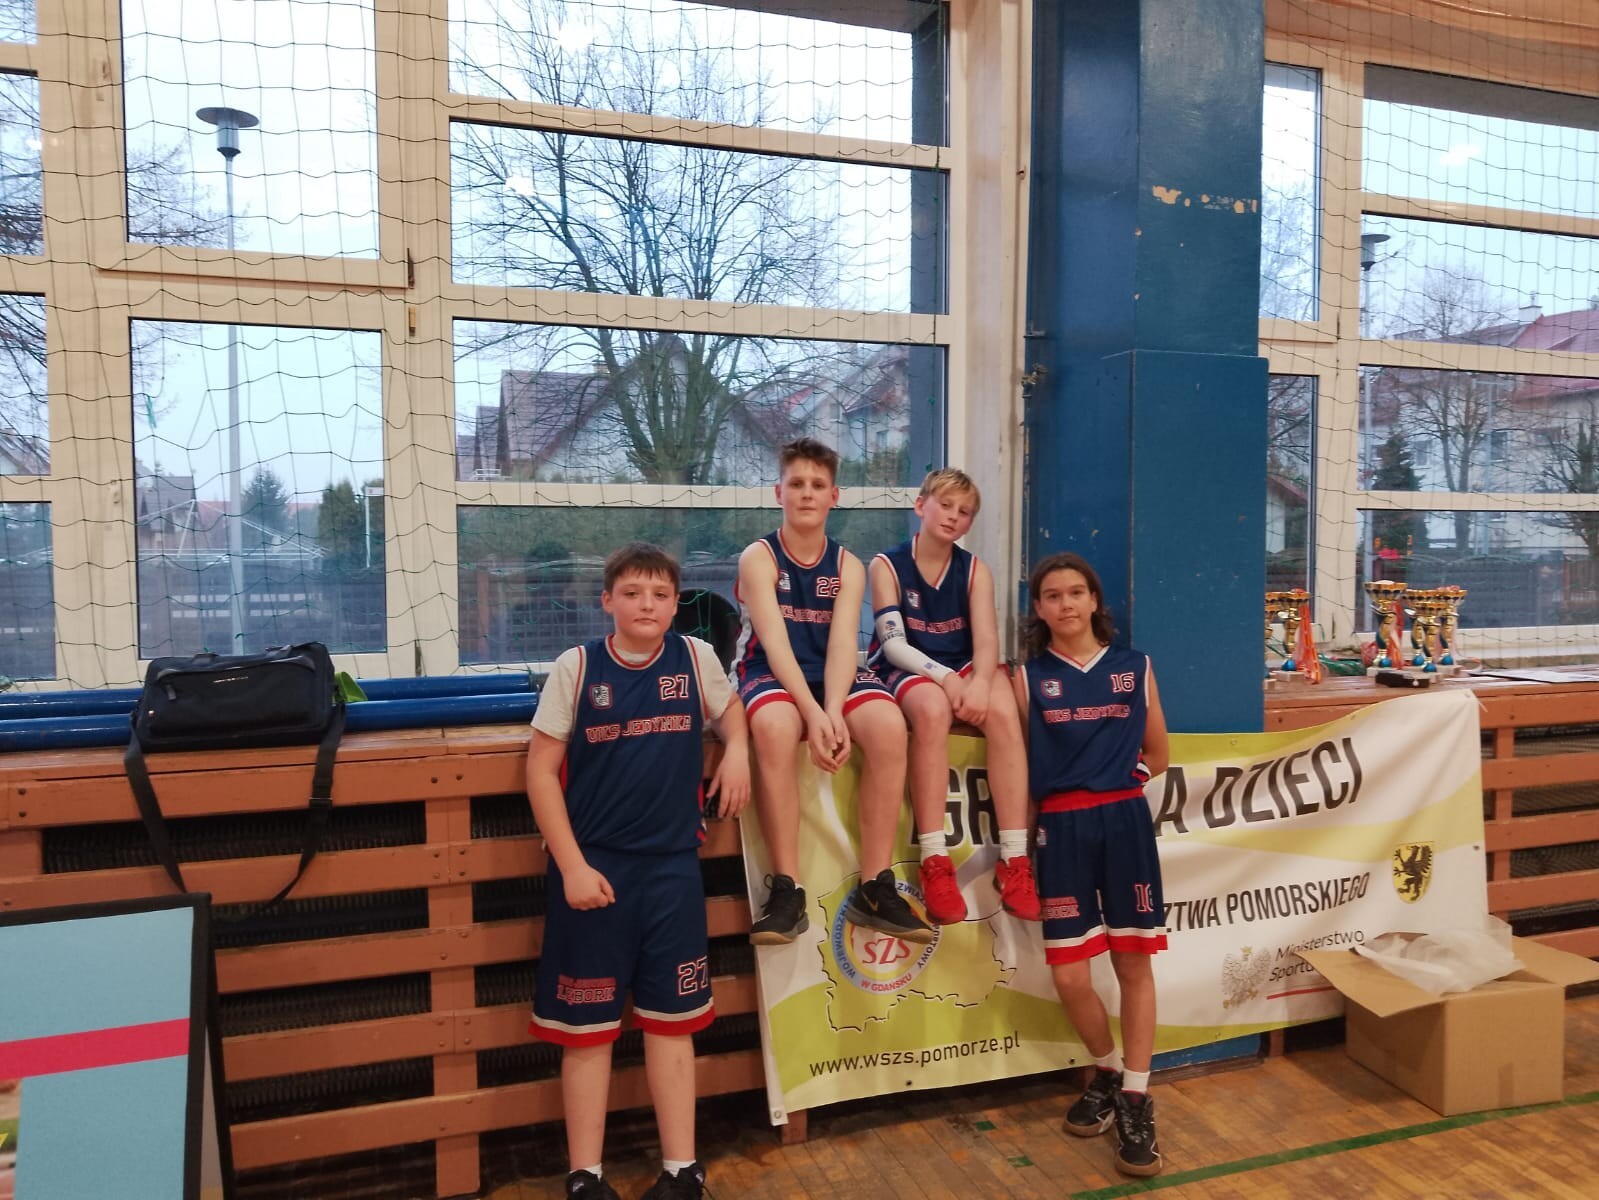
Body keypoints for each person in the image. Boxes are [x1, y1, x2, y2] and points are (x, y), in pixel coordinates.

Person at [526, 543, 751, 1200]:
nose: (645, 604)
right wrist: (571, 865)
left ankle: (682, 1170)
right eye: (631, 593)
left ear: (676, 605)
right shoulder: (576, 667)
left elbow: (732, 715)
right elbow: (539, 772)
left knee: (671, 1025)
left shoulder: (695, 658)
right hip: (593, 875)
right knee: (588, 1034)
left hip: (673, 872)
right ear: (607, 601)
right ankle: (585, 1177)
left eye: (659, 594)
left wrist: (737, 749)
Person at [735, 437, 931, 945]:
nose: (807, 493)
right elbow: (775, 643)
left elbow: (845, 643)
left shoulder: (848, 565)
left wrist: (834, 711)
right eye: (797, 484)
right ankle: (787, 890)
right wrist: (813, 712)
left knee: (888, 725)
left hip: (831, 672)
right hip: (770, 668)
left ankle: (875, 886)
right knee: (775, 727)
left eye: (818, 485)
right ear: (778, 492)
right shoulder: (759, 558)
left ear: (834, 496)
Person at [1013, 552, 1170, 1178]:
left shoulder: (1135, 667)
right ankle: (1105, 1067)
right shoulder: (1027, 679)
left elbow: (1158, 751)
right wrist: (1019, 847)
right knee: (1071, 975)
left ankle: (1135, 1095)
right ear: (1039, 608)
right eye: (1052, 595)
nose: (1066, 604)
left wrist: (1123, 783)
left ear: (1095, 600)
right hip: (1060, 829)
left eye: (1076, 592)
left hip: (1124, 822)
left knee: (1132, 962)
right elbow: (1019, 768)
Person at [867, 468, 1040, 925]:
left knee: (1004, 711)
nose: (953, 516)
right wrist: (946, 678)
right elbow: (894, 645)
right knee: (931, 710)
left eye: (964, 512)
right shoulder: (886, 565)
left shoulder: (974, 570)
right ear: (920, 505)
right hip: (909, 664)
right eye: (945, 505)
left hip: (962, 663)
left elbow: (986, 641)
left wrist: (980, 683)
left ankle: (1015, 859)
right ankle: (934, 859)